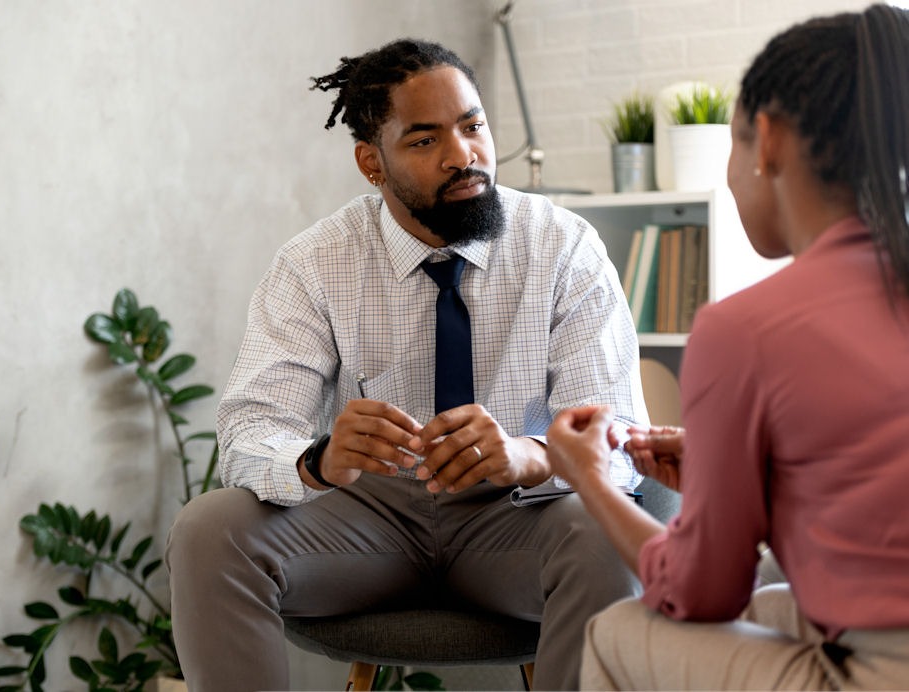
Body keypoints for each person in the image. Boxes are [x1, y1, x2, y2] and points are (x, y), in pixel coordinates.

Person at [165, 38, 649, 690]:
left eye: (473, 126)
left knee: (605, 535)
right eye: (424, 141)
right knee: (207, 531)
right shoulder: (314, 263)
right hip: (369, 522)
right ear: (372, 162)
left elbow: (616, 440)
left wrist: (528, 456)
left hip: (518, 517)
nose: (463, 155)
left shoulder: (565, 249)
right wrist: (317, 460)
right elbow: (249, 432)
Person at [546, 4, 909, 689]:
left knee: (621, 629)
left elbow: (701, 590)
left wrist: (588, 478)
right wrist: (749, 478)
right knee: (772, 600)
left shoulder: (745, 328)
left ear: (765, 140)